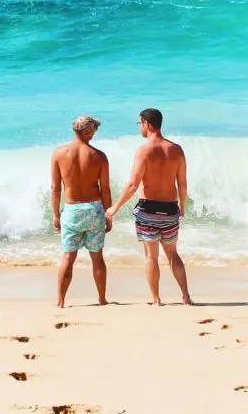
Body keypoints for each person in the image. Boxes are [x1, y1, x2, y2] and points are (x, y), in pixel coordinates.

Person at [106, 108, 192, 306]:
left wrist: (114, 208)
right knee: (173, 254)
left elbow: (133, 185)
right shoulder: (176, 150)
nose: (140, 128)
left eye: (140, 124)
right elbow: (183, 183)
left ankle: (156, 300)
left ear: (148, 124)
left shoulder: (143, 151)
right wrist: (182, 205)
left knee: (151, 257)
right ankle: (185, 296)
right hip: (170, 209)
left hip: (148, 210)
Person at [51, 115, 112, 308]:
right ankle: (102, 299)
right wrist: (109, 214)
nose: (95, 134)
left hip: (72, 210)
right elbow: (106, 189)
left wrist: (55, 214)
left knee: (68, 257)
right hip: (94, 209)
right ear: (87, 131)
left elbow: (55, 188)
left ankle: (60, 301)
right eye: (94, 130)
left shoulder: (59, 153)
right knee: (97, 256)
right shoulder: (99, 156)